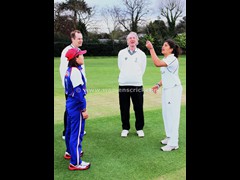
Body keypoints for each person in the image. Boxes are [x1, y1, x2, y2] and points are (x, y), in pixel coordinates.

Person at [145, 39, 183, 151]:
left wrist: (151, 49)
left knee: (173, 115)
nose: (163, 47)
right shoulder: (166, 59)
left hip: (173, 90)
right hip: (167, 89)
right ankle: (169, 137)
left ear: (171, 49)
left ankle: (173, 143)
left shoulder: (172, 59)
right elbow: (166, 75)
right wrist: (158, 84)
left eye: (166, 45)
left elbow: (156, 63)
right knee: (166, 114)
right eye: (163, 45)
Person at [63, 47, 91, 170]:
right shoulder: (75, 71)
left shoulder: (69, 70)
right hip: (76, 104)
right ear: (75, 58)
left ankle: (70, 152)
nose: (83, 57)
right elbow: (79, 93)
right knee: (77, 133)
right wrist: (83, 109)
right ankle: (76, 162)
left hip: (70, 102)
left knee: (70, 131)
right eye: (80, 55)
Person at [118, 31, 147, 138]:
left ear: (137, 41)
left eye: (134, 38)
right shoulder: (121, 53)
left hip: (137, 84)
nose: (132, 39)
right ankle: (125, 128)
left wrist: (135, 77)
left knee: (138, 107)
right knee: (124, 107)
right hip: (123, 84)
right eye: (130, 38)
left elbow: (142, 69)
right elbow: (120, 66)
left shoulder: (142, 54)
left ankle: (139, 128)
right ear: (127, 41)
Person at [59, 30, 87, 140]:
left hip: (79, 85)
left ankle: (78, 128)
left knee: (78, 108)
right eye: (78, 38)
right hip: (72, 88)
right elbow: (64, 71)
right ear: (72, 39)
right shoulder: (67, 51)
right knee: (70, 109)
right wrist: (68, 88)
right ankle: (66, 132)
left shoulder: (79, 51)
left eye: (81, 38)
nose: (81, 40)